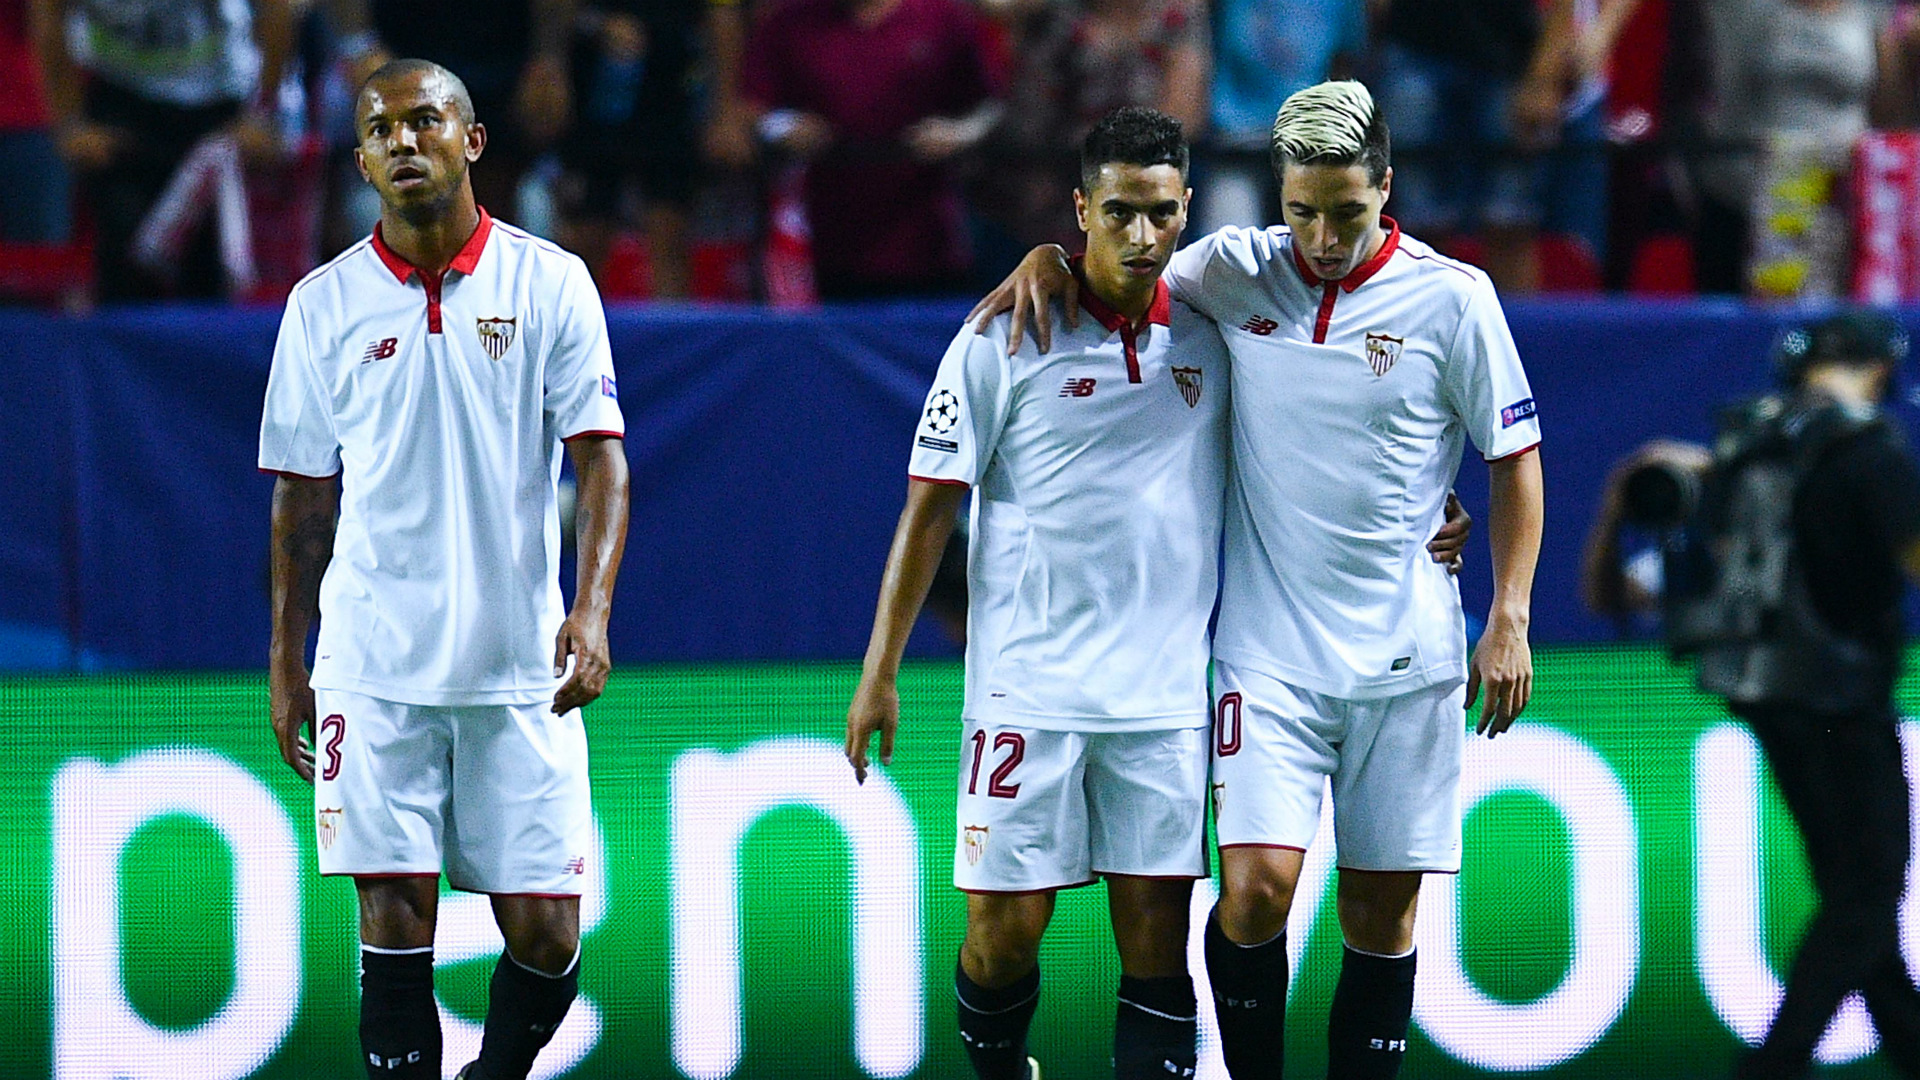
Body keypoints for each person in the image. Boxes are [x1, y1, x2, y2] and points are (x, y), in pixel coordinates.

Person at [970, 80, 1544, 1080]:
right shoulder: (1231, 274)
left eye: (1347, 212)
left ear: (1388, 189)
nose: (1322, 236)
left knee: (1381, 912)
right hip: (1267, 655)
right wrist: (1049, 257)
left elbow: (1516, 461)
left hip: (1408, 653)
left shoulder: (1454, 300)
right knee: (1254, 894)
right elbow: (1123, 269)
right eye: (1301, 211)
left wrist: (1510, 615)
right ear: (1277, 196)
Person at [258, 59, 629, 1080]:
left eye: (426, 121)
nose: (404, 141)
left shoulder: (549, 282)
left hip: (518, 669)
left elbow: (603, 462)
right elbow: (299, 502)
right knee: (393, 917)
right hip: (373, 669)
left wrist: (590, 613)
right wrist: (289, 659)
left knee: (551, 936)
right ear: (364, 160)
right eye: (381, 130)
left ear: (471, 140)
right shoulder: (322, 305)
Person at [846, 107, 1225, 1080]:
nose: (1141, 237)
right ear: (1081, 211)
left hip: (1163, 697)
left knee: (1156, 939)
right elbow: (928, 511)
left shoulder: (1221, 338)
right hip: (1029, 689)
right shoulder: (1003, 337)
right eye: (1118, 213)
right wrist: (878, 672)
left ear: (1186, 211)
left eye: (1160, 213)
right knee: (1003, 932)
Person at [1672, 311, 1920, 1080]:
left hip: (1761, 692)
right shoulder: (1868, 449)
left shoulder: (1746, 442)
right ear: (1878, 371)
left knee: (1852, 891)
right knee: (1867, 893)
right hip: (1843, 697)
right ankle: (1772, 1068)